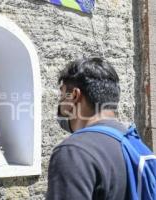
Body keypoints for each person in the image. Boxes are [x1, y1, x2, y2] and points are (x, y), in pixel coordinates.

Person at [47, 57, 128, 199]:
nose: (59, 103)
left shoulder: (74, 151)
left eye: (62, 94)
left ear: (74, 95)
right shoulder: (133, 142)